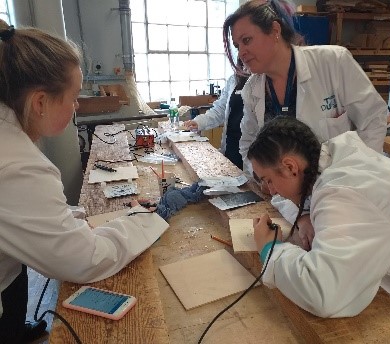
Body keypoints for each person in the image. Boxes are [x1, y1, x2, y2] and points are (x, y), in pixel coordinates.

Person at [0, 21, 166, 343]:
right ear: (40, 102)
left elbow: (32, 215)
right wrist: (140, 221)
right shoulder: (20, 167)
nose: (77, 106)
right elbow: (85, 260)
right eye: (74, 97)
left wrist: (76, 220)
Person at [248, 116, 390, 336]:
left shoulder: (344, 191)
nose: (270, 190)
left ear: (291, 167)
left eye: (269, 180)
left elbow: (325, 293)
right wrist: (307, 216)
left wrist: (271, 250)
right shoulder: (339, 162)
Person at [222, 0, 387, 223]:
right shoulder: (253, 89)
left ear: (275, 30)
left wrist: (353, 185)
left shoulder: (332, 62)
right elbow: (249, 149)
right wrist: (297, 213)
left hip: (349, 194)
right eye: (237, 45)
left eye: (247, 40)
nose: (241, 52)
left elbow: (374, 119)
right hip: (290, 203)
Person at [184, 62, 249, 170]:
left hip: (252, 150)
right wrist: (199, 122)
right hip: (231, 146)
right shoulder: (234, 80)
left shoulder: (263, 80)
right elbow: (220, 109)